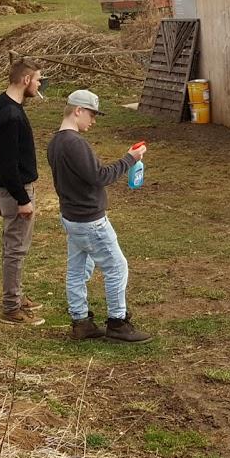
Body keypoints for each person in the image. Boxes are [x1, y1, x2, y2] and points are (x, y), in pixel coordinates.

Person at [47, 89, 152, 343]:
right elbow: (100, 177)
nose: (93, 121)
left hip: (71, 217)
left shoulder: (55, 142)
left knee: (78, 270)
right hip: (90, 220)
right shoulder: (74, 143)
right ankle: (117, 323)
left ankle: (81, 322)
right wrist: (130, 158)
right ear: (78, 111)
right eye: (92, 115)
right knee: (117, 267)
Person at [0, 58, 44, 325]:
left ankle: (17, 296)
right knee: (16, 249)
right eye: (38, 79)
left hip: (15, 190)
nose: (39, 84)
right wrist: (23, 199)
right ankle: (11, 307)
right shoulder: (10, 115)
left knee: (15, 247)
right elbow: (6, 164)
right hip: (16, 192)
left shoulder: (4, 104)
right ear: (26, 80)